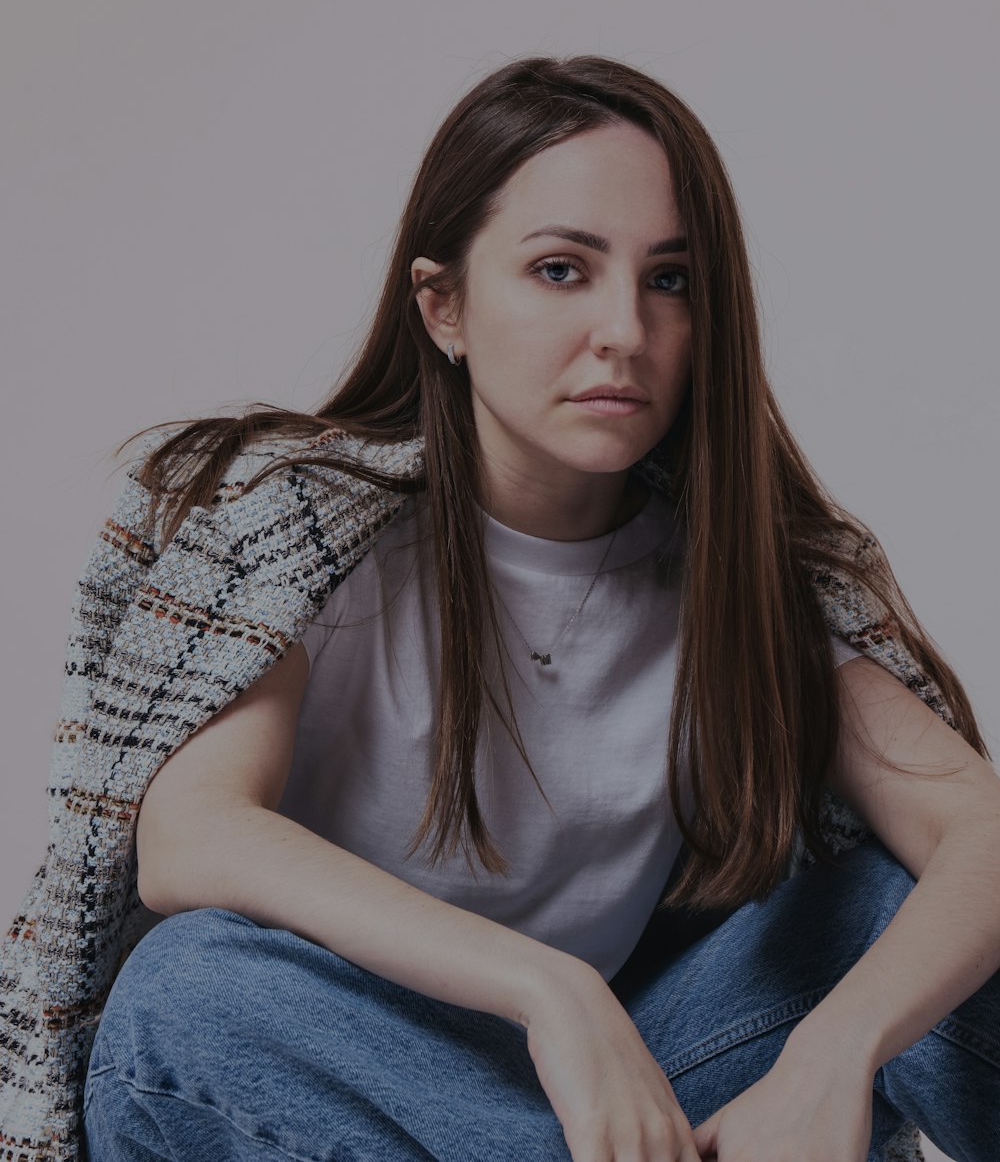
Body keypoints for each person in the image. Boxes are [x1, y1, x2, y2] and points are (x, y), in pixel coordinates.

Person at [2, 57, 997, 1162]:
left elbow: (979, 830)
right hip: (329, 1083)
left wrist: (835, 1052)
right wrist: (546, 988)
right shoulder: (297, 527)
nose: (624, 329)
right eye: (562, 269)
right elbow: (190, 837)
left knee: (906, 914)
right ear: (445, 306)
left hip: (641, 1102)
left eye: (669, 280)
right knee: (184, 1000)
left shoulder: (749, 573)